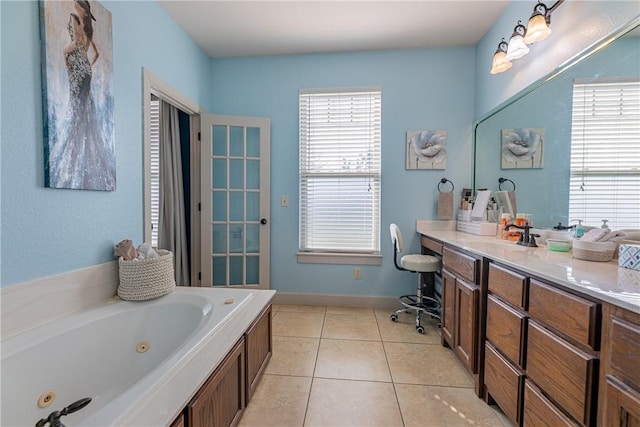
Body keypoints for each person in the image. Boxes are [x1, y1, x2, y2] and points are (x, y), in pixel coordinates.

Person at [48, 9, 115, 191]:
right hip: (85, 72)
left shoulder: (78, 38)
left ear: (77, 23)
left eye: (73, 23)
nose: (72, 26)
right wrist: (88, 66)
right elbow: (96, 54)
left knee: (78, 108)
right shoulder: (87, 35)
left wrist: (67, 60)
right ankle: (80, 147)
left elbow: (69, 49)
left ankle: (74, 151)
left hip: (78, 74)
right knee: (85, 108)